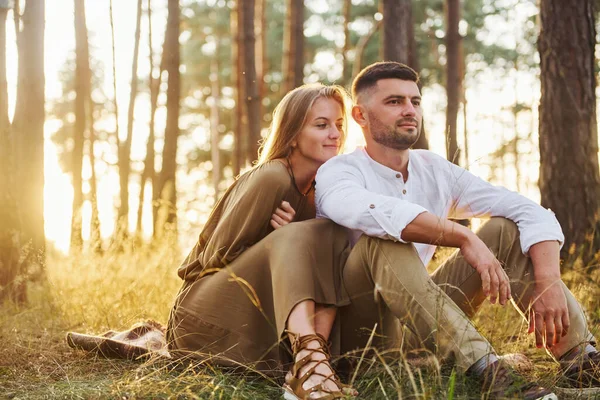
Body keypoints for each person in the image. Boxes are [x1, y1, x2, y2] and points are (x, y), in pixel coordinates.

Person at [315, 61, 600, 399]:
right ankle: (493, 374)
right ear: (360, 116)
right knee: (383, 241)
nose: (409, 111)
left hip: (421, 323)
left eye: (415, 101)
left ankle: (581, 362)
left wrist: (549, 281)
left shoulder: (432, 168)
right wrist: (463, 236)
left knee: (506, 229)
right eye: (394, 102)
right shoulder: (339, 171)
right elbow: (370, 212)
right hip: (359, 338)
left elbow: (527, 210)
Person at [166, 83, 356, 400]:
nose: (335, 134)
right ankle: (310, 362)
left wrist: (292, 237)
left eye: (338, 124)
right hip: (203, 317)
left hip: (256, 316)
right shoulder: (273, 176)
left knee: (330, 235)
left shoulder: (321, 191)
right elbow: (215, 256)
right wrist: (281, 240)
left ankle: (307, 368)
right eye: (321, 125)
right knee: (309, 235)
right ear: (293, 134)